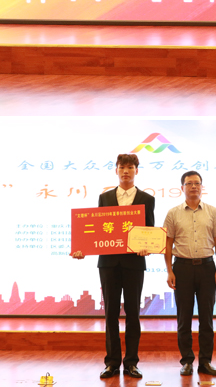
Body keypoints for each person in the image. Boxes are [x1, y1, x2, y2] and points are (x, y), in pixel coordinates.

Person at [72, 153, 155, 380]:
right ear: (116, 170)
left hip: (134, 263)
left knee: (133, 313)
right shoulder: (105, 197)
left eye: (130, 167)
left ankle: (131, 363)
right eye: (122, 167)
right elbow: (99, 229)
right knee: (110, 313)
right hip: (108, 263)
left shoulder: (147, 199)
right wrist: (82, 248)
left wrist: (147, 246)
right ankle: (112, 363)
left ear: (136, 171)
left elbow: (149, 230)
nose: (126, 171)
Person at [164, 171, 216, 377]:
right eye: (189, 183)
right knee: (184, 318)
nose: (193, 186)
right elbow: (167, 244)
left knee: (206, 318)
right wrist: (169, 270)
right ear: (182, 188)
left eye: (197, 183)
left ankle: (206, 361)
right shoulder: (173, 213)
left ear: (202, 187)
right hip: (182, 268)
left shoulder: (212, 212)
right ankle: (187, 361)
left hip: (207, 267)